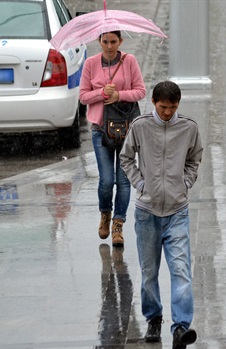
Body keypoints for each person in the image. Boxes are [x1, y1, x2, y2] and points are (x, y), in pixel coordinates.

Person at [119, 81, 203, 349]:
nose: (167, 112)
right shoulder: (140, 126)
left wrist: (185, 183)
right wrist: (140, 185)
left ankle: (180, 327)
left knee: (181, 270)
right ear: (154, 102)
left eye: (173, 107)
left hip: (177, 210)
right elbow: (126, 158)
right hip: (147, 212)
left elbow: (194, 159)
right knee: (149, 272)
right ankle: (153, 318)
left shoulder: (188, 128)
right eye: (163, 107)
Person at [79, 31, 146, 246]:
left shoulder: (129, 61)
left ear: (120, 42)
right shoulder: (90, 63)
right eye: (105, 41)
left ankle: (118, 224)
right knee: (107, 180)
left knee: (124, 180)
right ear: (99, 41)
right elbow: (83, 96)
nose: (109, 46)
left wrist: (119, 95)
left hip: (126, 128)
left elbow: (141, 91)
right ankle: (105, 213)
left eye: (113, 42)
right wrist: (101, 93)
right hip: (100, 129)